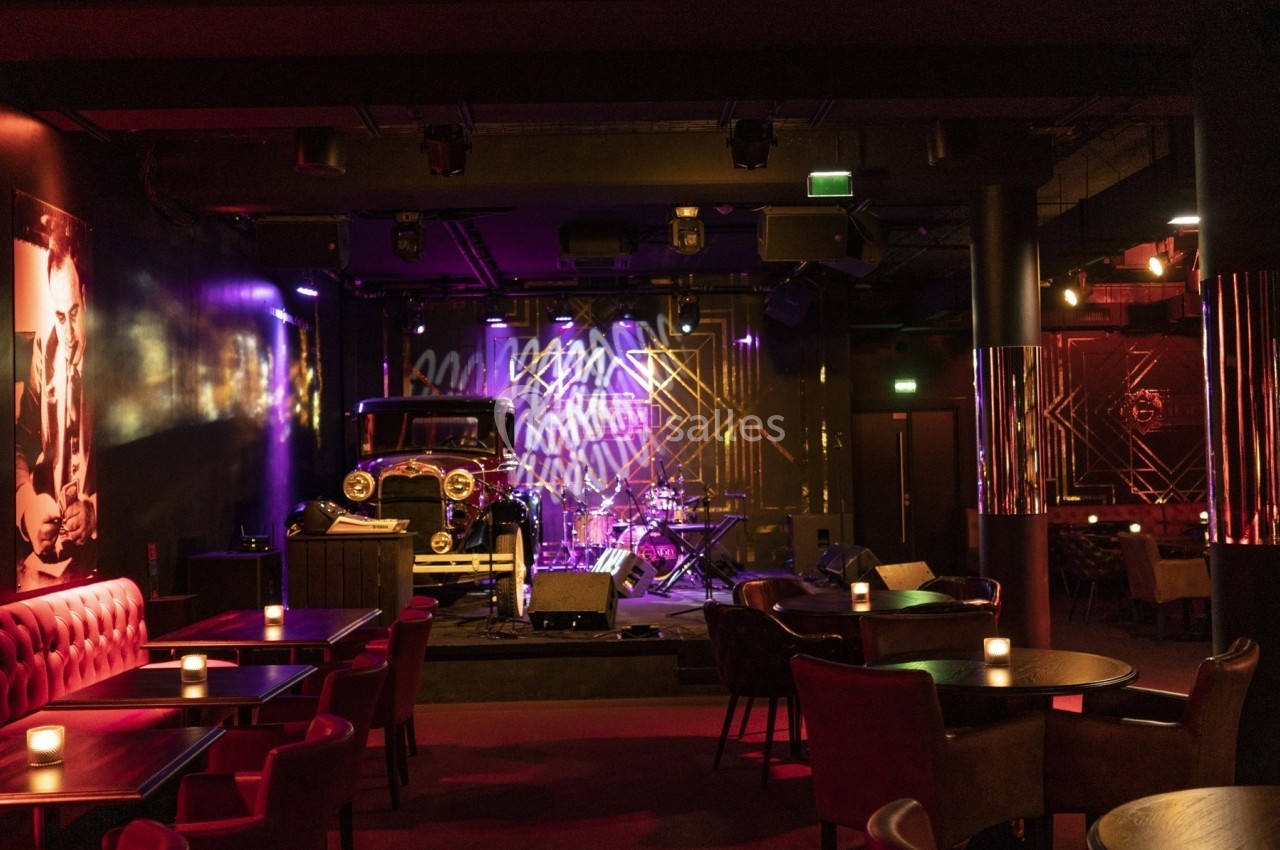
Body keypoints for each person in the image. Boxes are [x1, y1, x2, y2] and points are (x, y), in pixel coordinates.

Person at [15, 231, 96, 587]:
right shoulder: (44, 349)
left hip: (97, 559)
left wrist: (93, 512)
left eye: (74, 313)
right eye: (59, 317)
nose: (68, 334)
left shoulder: (111, 359)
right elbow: (18, 444)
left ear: (86, 297)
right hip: (51, 562)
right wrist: (28, 509)